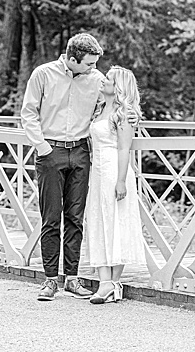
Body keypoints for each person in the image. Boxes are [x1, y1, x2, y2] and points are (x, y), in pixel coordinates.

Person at [20, 33, 107, 301]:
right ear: (71, 59)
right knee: (51, 218)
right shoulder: (43, 74)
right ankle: (49, 280)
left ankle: (72, 278)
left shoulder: (97, 80)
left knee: (75, 217)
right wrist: (43, 147)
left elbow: (107, 109)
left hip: (80, 152)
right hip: (50, 151)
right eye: (89, 63)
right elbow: (28, 113)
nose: (94, 68)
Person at [81, 66, 149, 303]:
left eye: (108, 78)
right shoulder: (100, 108)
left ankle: (111, 282)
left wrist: (121, 181)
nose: (103, 80)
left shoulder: (124, 114)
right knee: (99, 220)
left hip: (114, 170)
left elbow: (123, 148)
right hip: (97, 172)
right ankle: (105, 282)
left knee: (116, 222)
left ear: (118, 87)